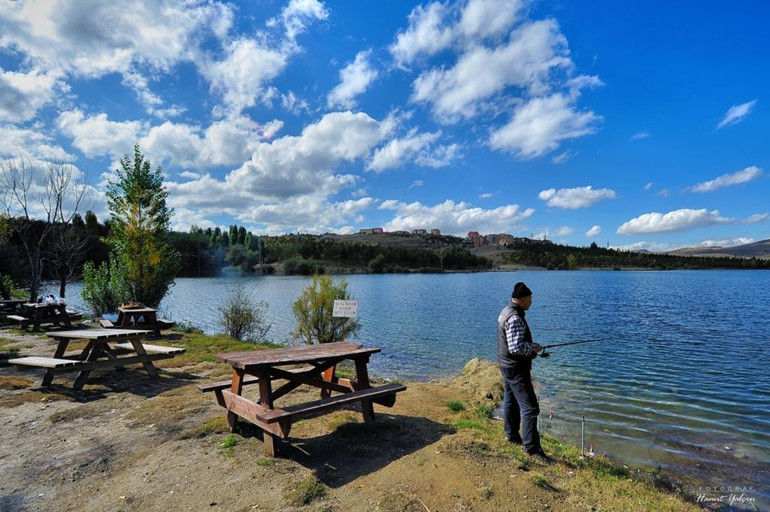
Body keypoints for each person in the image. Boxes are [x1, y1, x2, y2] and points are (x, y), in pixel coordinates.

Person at [497, 282, 551, 463]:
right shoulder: (515, 318)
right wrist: (534, 348)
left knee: (511, 400)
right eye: (530, 299)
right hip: (515, 368)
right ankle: (532, 448)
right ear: (522, 300)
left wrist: (532, 349)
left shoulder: (506, 311)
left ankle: (511, 435)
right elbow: (515, 348)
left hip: (506, 366)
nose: (531, 302)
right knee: (530, 408)